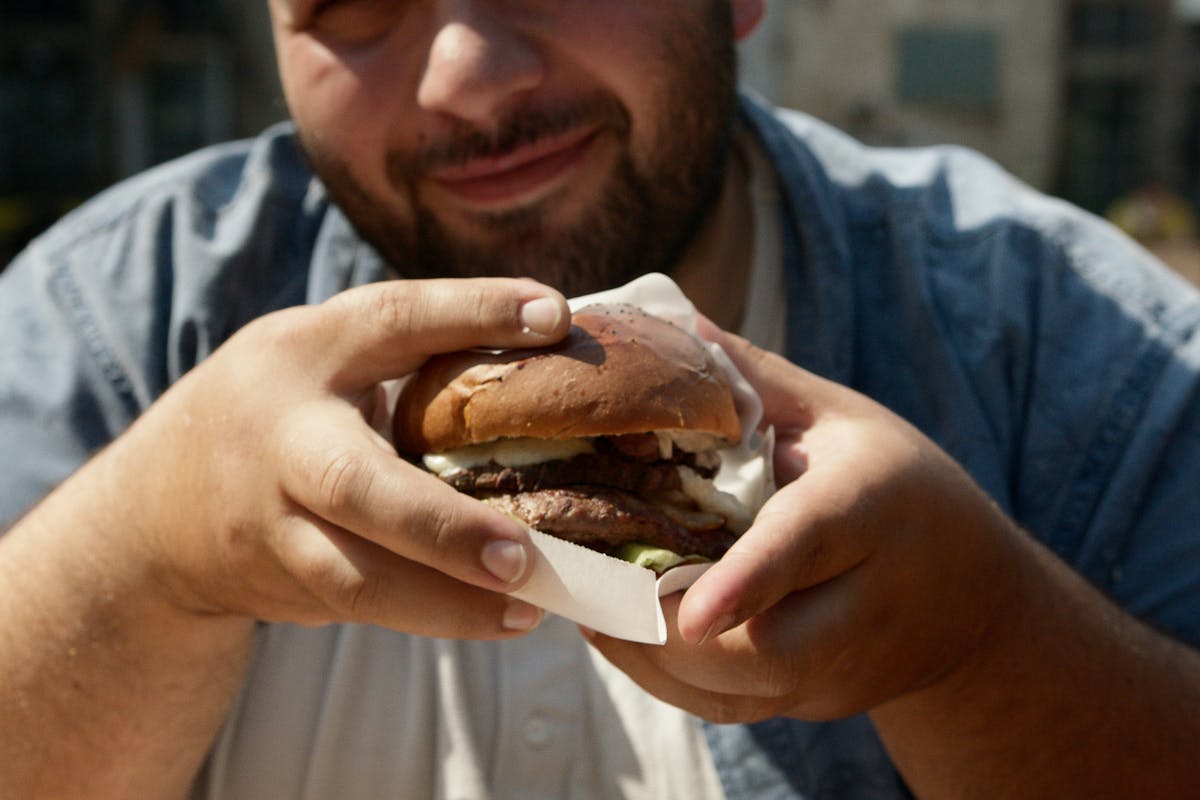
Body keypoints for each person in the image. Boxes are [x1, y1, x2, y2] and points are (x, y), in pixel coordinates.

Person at [1, 1, 1198, 797]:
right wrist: (142, 557)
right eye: (353, 3)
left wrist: (985, 645)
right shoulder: (110, 325)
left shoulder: (1077, 345)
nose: (467, 81)